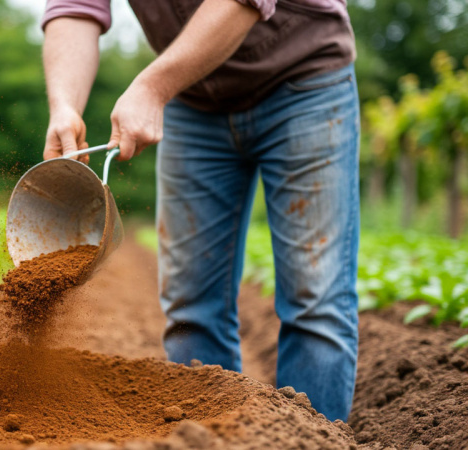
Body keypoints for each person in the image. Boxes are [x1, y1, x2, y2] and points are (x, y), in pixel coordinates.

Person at [40, 0, 360, 422]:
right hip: (193, 97)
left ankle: (312, 439)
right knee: (192, 307)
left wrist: (153, 87)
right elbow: (75, 7)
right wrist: (64, 105)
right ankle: (208, 437)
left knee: (314, 300)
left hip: (303, 78)